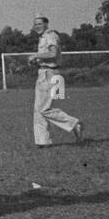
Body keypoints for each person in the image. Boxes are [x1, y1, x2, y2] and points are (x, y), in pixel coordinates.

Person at [29, 14, 84, 147]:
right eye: (35, 24)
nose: (36, 26)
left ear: (46, 24)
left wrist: (36, 55)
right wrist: (37, 61)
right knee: (39, 109)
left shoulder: (50, 35)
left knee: (43, 109)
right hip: (46, 72)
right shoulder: (43, 37)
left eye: (39, 23)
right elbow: (50, 56)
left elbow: (53, 54)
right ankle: (43, 141)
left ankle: (74, 124)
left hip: (50, 74)